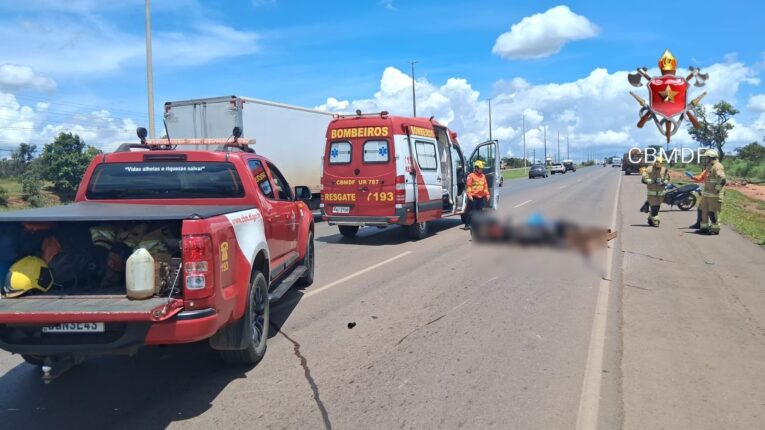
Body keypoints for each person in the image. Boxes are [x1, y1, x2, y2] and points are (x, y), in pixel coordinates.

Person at [697, 148, 726, 234]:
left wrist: (717, 190)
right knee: (704, 211)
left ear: (711, 157)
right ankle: (704, 228)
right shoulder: (710, 166)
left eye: (706, 157)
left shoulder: (717, 166)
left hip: (714, 195)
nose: (705, 159)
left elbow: (722, 180)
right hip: (707, 195)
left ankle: (715, 229)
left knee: (712, 212)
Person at [641, 156, 670, 227]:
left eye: (660, 163)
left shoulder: (664, 170)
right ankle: (656, 221)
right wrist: (650, 181)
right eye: (657, 162)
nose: (658, 164)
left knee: (657, 208)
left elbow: (667, 179)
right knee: (654, 208)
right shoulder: (649, 169)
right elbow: (643, 179)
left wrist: (664, 182)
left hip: (661, 193)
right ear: (655, 162)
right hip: (652, 193)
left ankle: (650, 219)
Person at [686, 148, 709, 229]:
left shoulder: (715, 169)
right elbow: (700, 177)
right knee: (700, 208)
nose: (705, 160)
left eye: (707, 158)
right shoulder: (707, 169)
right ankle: (699, 224)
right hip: (707, 192)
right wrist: (692, 177)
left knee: (710, 210)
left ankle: (708, 226)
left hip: (713, 193)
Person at [465, 160, 490, 229]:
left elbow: (485, 186)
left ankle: (479, 224)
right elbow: (468, 186)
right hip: (473, 197)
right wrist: (469, 195)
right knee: (471, 212)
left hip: (481, 197)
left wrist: (487, 194)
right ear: (476, 168)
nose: (481, 170)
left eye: (482, 169)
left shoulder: (483, 176)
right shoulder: (471, 176)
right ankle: (467, 225)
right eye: (480, 168)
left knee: (480, 211)